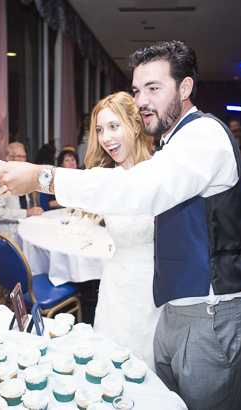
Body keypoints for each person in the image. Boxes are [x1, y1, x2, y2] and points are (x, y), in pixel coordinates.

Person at [0, 40, 241, 410]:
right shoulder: (170, 143)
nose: (142, 99)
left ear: (185, 88)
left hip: (210, 315)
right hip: (176, 310)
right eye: (137, 90)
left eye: (154, 88)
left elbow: (140, 189)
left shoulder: (202, 136)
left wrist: (41, 177)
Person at [82, 91, 161, 370]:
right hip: (116, 288)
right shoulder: (106, 178)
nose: (105, 138)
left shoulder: (160, 174)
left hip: (154, 293)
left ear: (136, 125)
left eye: (114, 127)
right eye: (100, 130)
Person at [0, 142, 43, 240]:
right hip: (8, 235)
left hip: (24, 226)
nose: (23, 160)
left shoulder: (24, 179)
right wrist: (27, 212)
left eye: (24, 156)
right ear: (9, 158)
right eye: (19, 156)